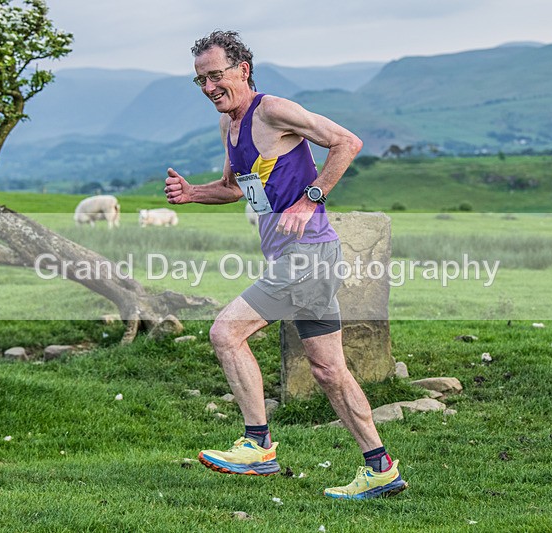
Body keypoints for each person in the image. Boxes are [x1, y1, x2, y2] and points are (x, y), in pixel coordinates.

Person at [164, 30, 407, 500]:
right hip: (301, 258)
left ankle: (258, 446)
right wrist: (194, 193)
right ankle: (380, 468)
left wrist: (310, 198)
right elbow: (235, 188)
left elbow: (347, 143)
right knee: (329, 370)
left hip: (307, 256)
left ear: (242, 70)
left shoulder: (273, 110)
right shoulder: (229, 127)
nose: (210, 86)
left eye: (217, 75)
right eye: (201, 80)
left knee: (225, 333)